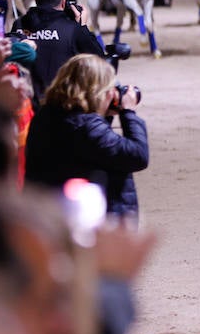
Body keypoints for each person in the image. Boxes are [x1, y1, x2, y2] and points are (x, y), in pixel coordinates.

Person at [24, 54, 149, 218]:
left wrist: (103, 113)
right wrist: (128, 113)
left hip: (49, 212)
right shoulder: (85, 126)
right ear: (97, 91)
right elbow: (137, 155)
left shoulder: (47, 115)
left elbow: (96, 150)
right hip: (91, 222)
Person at [12, 0, 106, 102]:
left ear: (36, 0)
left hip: (27, 105)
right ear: (63, 1)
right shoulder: (73, 29)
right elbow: (100, 60)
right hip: (61, 105)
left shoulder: (19, 25)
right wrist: (82, 27)